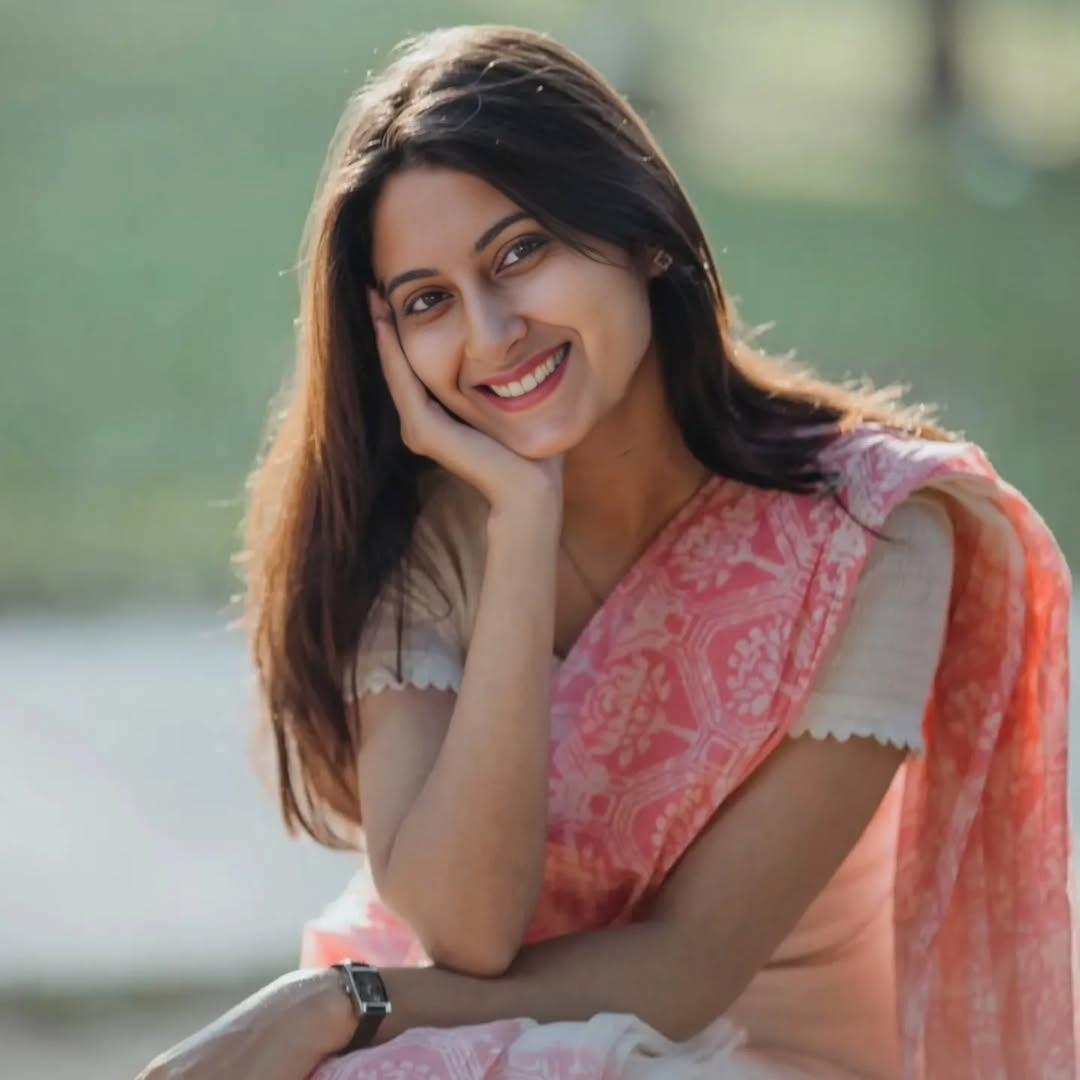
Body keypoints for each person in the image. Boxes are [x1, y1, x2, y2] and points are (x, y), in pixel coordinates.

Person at [137, 24, 1077, 1080]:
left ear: (641, 235)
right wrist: (521, 524)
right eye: (429, 301)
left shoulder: (872, 534)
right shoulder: (431, 531)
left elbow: (683, 974)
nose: (492, 333)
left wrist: (337, 1004)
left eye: (520, 253)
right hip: (481, 1034)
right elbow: (467, 929)